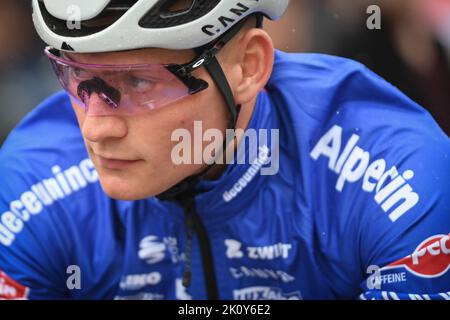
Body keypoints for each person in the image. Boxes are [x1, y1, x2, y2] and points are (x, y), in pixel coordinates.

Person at [0, 0, 449, 300]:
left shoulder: (393, 167)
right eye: (77, 78)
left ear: (248, 67)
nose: (96, 127)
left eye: (138, 81)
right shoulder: (34, 177)